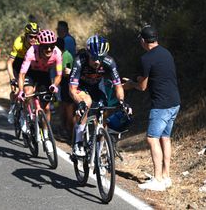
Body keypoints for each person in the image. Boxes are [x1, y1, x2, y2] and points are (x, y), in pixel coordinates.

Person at [123, 25, 181, 191]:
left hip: (161, 105)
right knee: (165, 137)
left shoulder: (146, 58)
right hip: (175, 101)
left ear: (142, 40)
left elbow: (142, 87)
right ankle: (166, 176)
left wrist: (129, 84)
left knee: (152, 138)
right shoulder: (166, 53)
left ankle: (157, 180)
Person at [69, 35, 131, 156]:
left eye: (100, 58)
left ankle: (97, 154)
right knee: (87, 103)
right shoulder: (79, 61)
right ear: (87, 53)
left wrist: (122, 102)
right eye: (94, 58)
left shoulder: (109, 62)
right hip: (81, 87)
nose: (97, 61)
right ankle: (78, 142)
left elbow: (118, 86)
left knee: (104, 112)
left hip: (97, 86)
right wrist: (80, 102)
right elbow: (72, 88)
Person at [17, 29, 62, 141]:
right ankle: (24, 115)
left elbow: (59, 75)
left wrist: (54, 85)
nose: (49, 49)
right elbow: (22, 74)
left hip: (44, 76)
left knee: (46, 107)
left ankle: (46, 134)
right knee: (28, 93)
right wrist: (21, 91)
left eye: (51, 46)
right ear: (39, 46)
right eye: (45, 46)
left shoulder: (57, 53)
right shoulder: (31, 52)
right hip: (31, 74)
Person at [7, 22, 39, 124]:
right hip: (18, 64)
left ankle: (25, 114)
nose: (34, 39)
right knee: (14, 89)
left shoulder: (38, 43)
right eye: (31, 37)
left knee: (28, 92)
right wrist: (12, 77)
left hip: (31, 65)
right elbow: (9, 62)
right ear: (25, 36)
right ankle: (12, 106)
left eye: (36, 36)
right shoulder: (18, 43)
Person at [55, 37, 74, 139]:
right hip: (63, 85)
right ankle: (64, 130)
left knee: (69, 109)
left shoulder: (66, 56)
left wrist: (59, 75)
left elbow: (67, 72)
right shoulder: (62, 55)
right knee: (63, 107)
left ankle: (70, 133)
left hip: (67, 84)